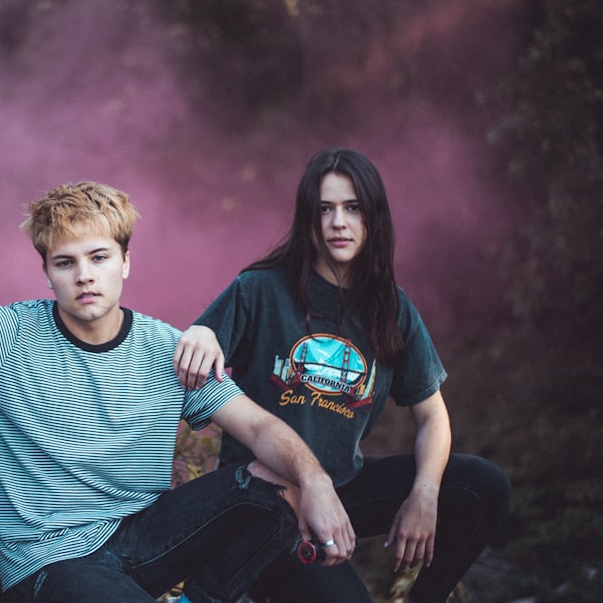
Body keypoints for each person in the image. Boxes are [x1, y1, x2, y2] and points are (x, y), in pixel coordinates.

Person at [0, 181, 355, 603]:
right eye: (65, 263)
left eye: (99, 257)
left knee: (281, 477)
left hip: (146, 539)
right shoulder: (6, 335)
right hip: (52, 561)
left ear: (125, 262)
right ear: (48, 273)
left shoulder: (165, 346)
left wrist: (318, 481)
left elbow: (260, 425)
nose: (84, 276)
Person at [174, 148, 511, 603]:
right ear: (307, 219)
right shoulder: (259, 289)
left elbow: (433, 417)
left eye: (352, 208)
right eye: (324, 209)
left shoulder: (390, 309)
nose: (338, 223)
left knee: (481, 485)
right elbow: (192, 351)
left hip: (342, 486)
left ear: (373, 218)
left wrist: (424, 496)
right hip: (263, 500)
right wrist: (200, 333)